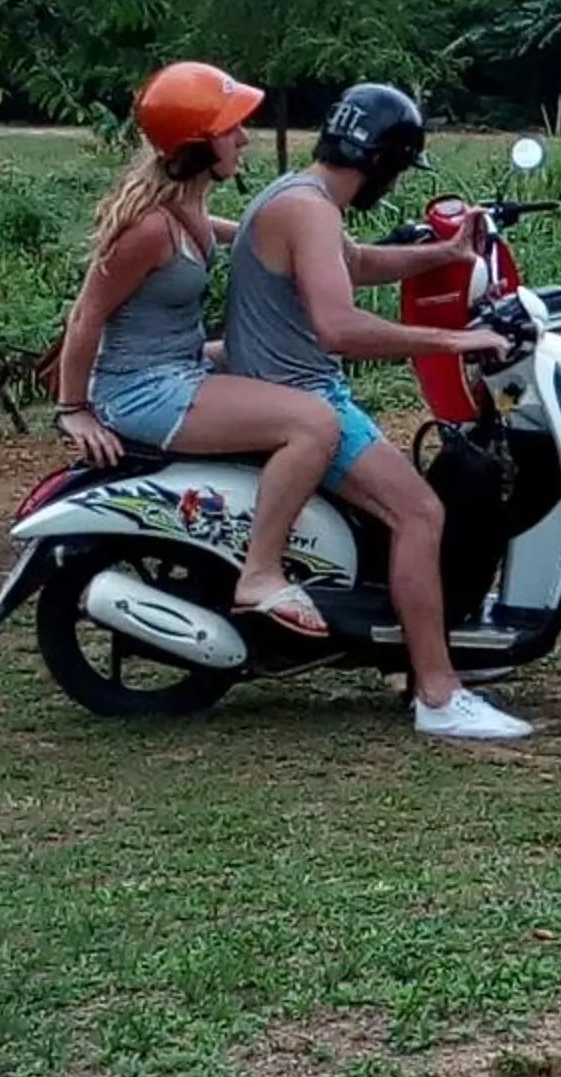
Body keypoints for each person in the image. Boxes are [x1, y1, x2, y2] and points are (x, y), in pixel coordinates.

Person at [222, 81, 531, 743]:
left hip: (289, 389)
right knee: (420, 513)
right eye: (395, 171)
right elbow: (337, 326)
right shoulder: (311, 211)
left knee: (401, 511)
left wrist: (446, 255)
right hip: (306, 397)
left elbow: (355, 264)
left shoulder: (300, 198)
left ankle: (401, 653)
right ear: (383, 161)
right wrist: (453, 339)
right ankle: (439, 695)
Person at [52, 61, 355, 639]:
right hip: (145, 388)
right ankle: (260, 573)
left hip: (182, 366)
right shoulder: (149, 229)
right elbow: (87, 313)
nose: (244, 138)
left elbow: (248, 233)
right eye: (230, 129)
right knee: (313, 423)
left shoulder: (185, 205)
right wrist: (74, 409)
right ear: (197, 144)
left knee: (290, 373)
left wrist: (316, 242)